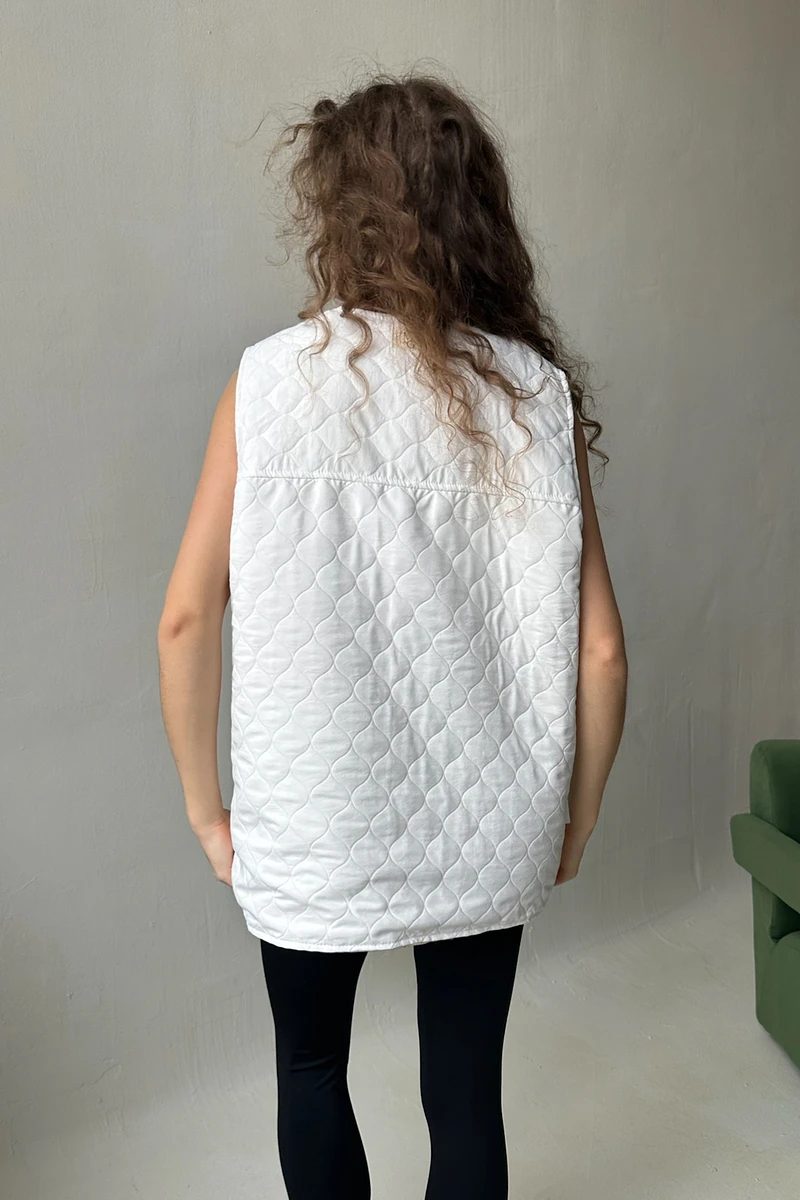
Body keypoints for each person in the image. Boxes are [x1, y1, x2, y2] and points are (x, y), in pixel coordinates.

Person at [158, 72, 627, 1200]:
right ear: (478, 213)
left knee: (309, 1069)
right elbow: (603, 653)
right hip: (491, 817)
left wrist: (207, 813)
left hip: (314, 820)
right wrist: (574, 819)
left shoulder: (269, 383)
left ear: (337, 212)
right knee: (465, 1093)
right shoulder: (534, 397)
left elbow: (184, 617)